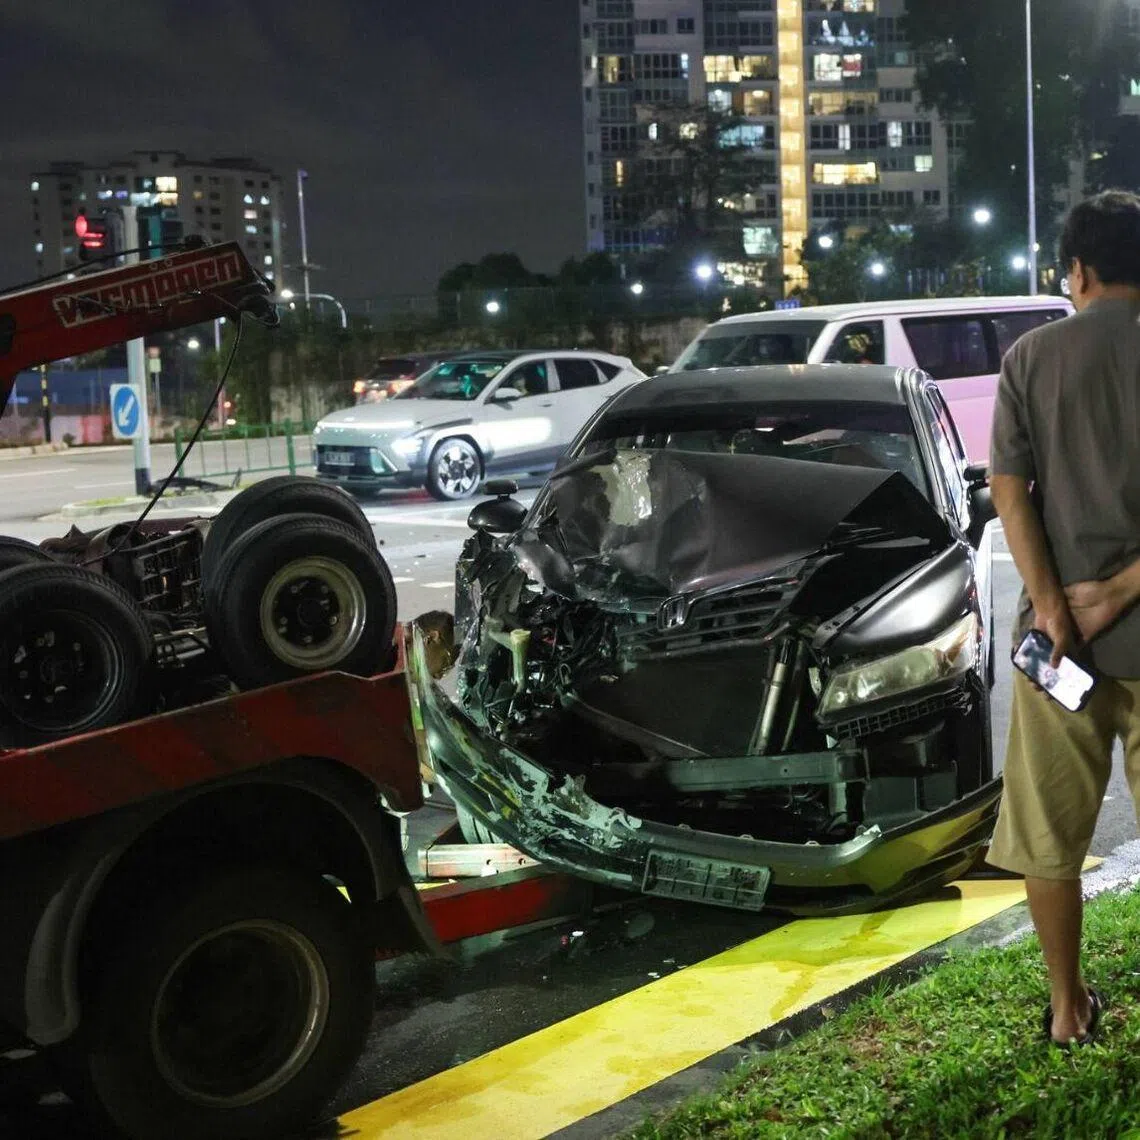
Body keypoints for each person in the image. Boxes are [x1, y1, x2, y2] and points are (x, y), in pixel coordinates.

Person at [987, 190, 1140, 1047]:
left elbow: (1009, 490)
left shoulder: (1032, 358)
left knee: (1050, 836)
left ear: (1077, 270)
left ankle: (1066, 1006)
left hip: (1061, 653)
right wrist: (1125, 590)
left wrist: (1058, 606)